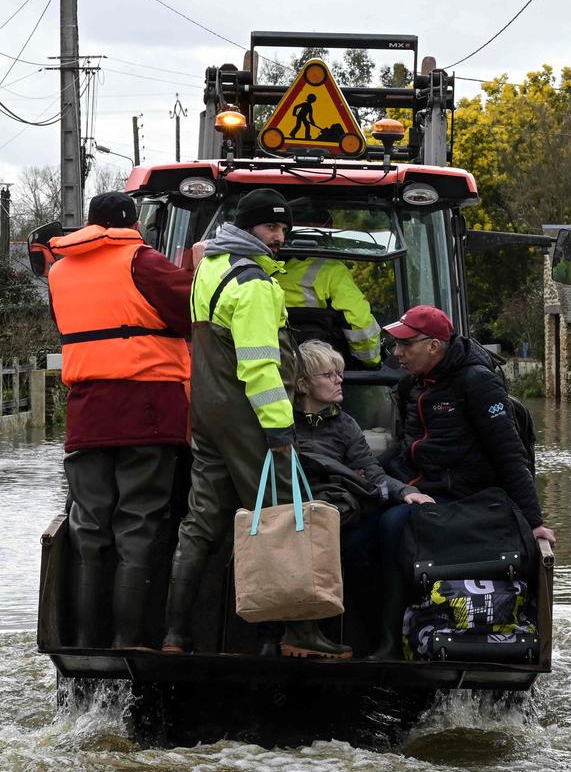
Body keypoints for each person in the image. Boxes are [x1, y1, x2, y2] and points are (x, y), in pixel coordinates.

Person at [162, 189, 350, 659]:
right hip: (249, 419)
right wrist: (280, 432)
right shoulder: (255, 285)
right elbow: (261, 368)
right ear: (247, 228)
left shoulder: (210, 269)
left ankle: (175, 635)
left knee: (202, 521)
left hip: (206, 415)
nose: (279, 237)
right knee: (286, 514)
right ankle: (299, 634)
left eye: (283, 228)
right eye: (271, 228)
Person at [48, 192, 192, 650]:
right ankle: (131, 642)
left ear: (90, 223)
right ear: (134, 224)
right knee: (138, 524)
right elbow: (191, 310)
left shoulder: (59, 270)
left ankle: (90, 644)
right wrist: (196, 266)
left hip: (87, 413)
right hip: (147, 408)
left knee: (89, 528)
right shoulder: (142, 261)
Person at [374, 305, 556, 660]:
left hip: (459, 497)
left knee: (391, 527)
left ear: (433, 346)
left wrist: (534, 523)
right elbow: (407, 448)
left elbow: (509, 455)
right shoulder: (413, 384)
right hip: (420, 488)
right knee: (360, 525)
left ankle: (390, 642)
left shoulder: (477, 382)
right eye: (395, 344)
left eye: (404, 345)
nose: (396, 353)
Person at [293, 340, 431, 655]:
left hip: (342, 513)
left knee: (358, 547)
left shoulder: (345, 425)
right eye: (328, 375)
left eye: (339, 373)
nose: (339, 380)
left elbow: (372, 472)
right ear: (302, 385)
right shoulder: (282, 425)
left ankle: (368, 636)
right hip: (301, 512)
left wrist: (406, 492)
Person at [278, 202, 382, 367]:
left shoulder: (258, 267)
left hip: (273, 367)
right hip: (321, 369)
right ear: (326, 234)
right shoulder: (330, 270)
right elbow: (358, 321)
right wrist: (371, 361)